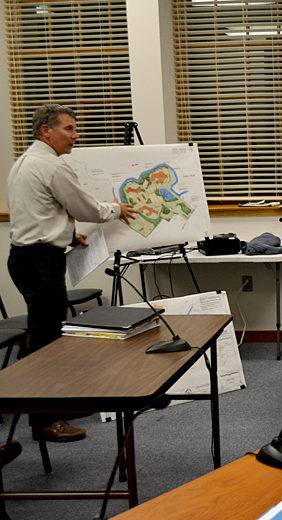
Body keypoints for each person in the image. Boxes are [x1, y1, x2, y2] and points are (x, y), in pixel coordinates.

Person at [6, 104, 137, 442]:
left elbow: (37, 215)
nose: (75, 136)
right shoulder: (51, 166)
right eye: (69, 129)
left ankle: (56, 407)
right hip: (40, 261)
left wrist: (66, 235)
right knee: (47, 341)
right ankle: (45, 420)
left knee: (47, 333)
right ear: (45, 131)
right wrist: (116, 209)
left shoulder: (23, 163)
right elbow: (84, 208)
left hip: (25, 257)